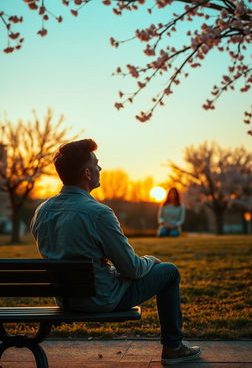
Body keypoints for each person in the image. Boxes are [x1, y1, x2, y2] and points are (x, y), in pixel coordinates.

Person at [30, 139, 201, 365]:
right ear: (87, 173)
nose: (100, 168)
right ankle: (173, 348)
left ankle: (175, 347)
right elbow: (131, 269)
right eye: (97, 164)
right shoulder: (99, 213)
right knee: (169, 271)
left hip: (67, 300)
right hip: (100, 299)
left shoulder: (41, 211)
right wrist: (151, 260)